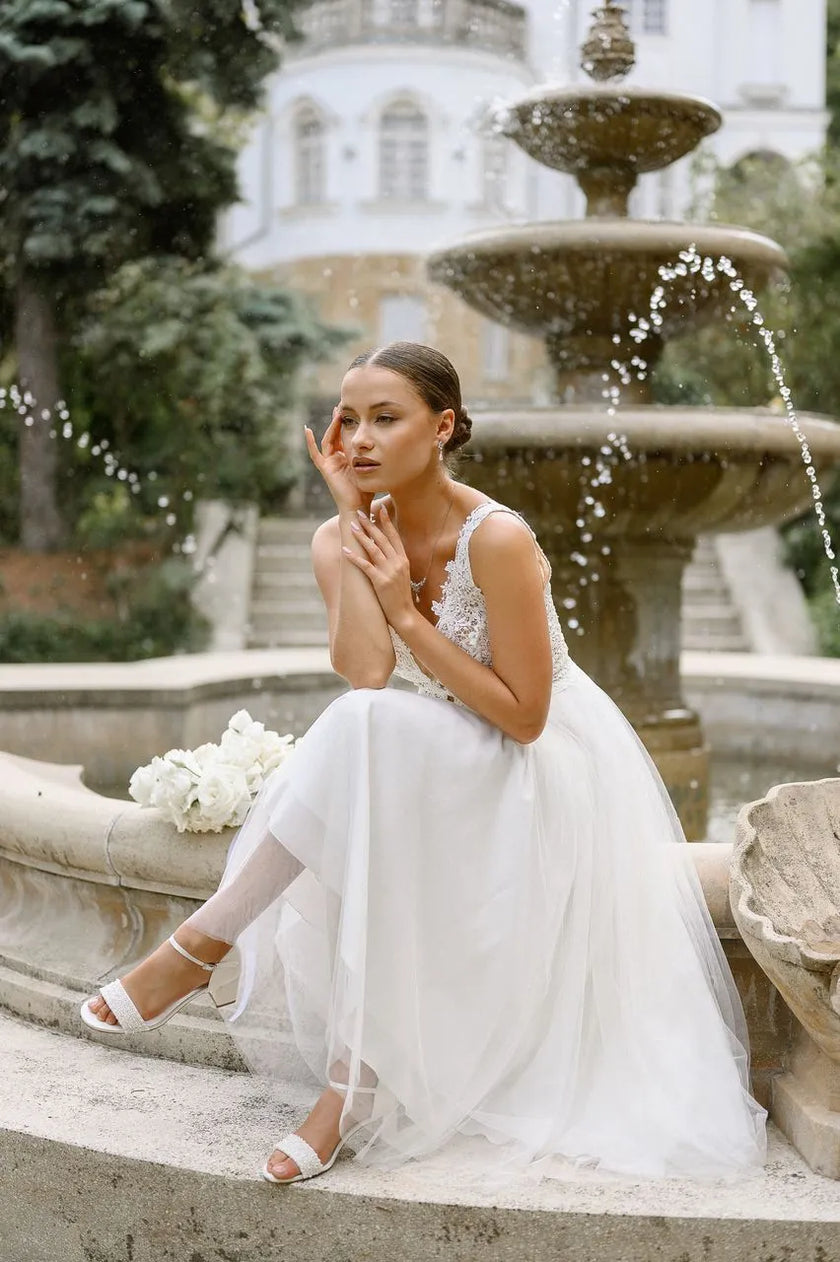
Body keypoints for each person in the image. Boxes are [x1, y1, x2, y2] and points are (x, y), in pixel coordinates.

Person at [81, 341, 767, 1186]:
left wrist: (411, 616)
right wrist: (348, 526)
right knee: (366, 727)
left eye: (386, 418)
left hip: (535, 765)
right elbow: (366, 674)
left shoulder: (498, 538)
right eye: (348, 419)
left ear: (442, 427)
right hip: (421, 753)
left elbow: (524, 716)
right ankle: (346, 1080)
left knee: (367, 734)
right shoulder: (343, 541)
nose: (361, 439)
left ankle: (204, 951)